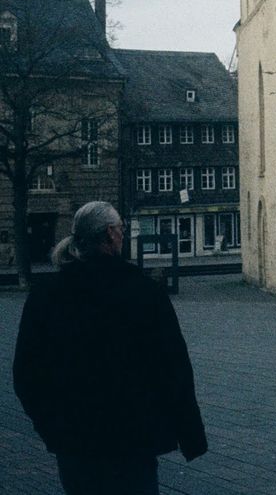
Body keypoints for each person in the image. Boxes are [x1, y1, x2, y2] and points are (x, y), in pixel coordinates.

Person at [13, 201, 207, 495]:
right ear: (111, 234)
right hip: (133, 440)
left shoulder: (46, 296)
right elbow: (174, 369)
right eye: (121, 229)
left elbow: (27, 373)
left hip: (75, 441)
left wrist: (51, 427)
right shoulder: (144, 293)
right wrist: (190, 435)